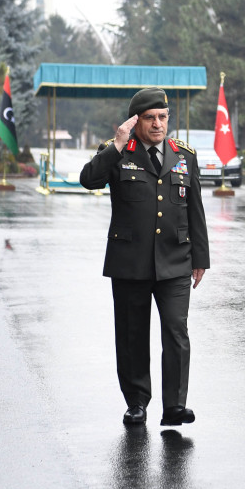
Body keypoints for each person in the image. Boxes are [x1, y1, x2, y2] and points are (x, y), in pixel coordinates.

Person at [79, 87, 210, 426]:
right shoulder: (118, 151)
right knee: (132, 334)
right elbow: (89, 180)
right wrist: (118, 143)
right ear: (135, 121)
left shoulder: (184, 155)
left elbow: (195, 210)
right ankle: (136, 402)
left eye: (162, 117)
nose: (157, 124)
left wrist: (201, 258)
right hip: (130, 262)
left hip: (175, 260)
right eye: (150, 118)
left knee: (177, 331)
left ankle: (175, 406)